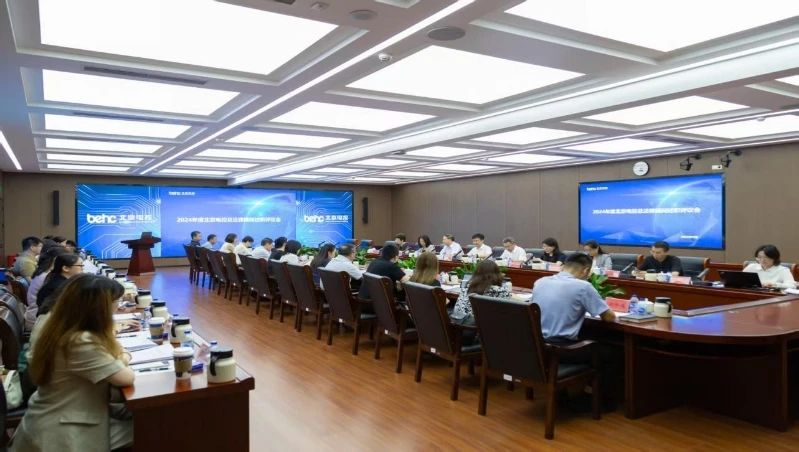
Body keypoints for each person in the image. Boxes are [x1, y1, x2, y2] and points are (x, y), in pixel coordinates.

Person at [12, 274, 134, 452]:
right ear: (99, 308)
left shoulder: (61, 327)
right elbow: (126, 378)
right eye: (116, 301)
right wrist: (124, 356)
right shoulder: (80, 341)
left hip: (57, 416)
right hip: (65, 431)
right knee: (155, 427)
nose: (117, 306)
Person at [532, 253, 615, 342]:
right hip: (561, 345)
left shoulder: (540, 282)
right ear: (586, 270)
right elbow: (609, 318)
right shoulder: (583, 286)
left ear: (563, 267)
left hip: (534, 341)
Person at [452, 260, 511, 327]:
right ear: (497, 274)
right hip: (481, 329)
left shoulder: (467, 287)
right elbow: (507, 312)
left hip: (459, 324)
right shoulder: (500, 291)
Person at [25, 247, 66, 330]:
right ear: (56, 260)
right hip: (38, 321)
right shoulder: (47, 276)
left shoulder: (44, 272)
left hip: (35, 316)